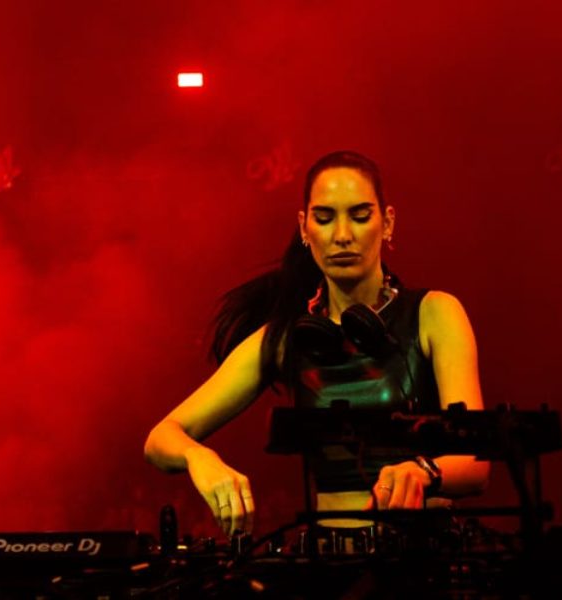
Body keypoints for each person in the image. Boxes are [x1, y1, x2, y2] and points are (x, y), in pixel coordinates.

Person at [145, 151, 489, 535]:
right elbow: (160, 438)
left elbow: (476, 463)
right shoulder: (288, 338)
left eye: (360, 216)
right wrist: (200, 458)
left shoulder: (435, 313)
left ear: (388, 223)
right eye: (324, 219)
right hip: (329, 558)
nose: (342, 235)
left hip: (424, 555)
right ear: (305, 229)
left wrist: (423, 471)